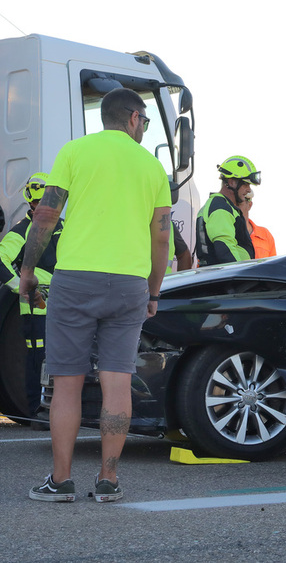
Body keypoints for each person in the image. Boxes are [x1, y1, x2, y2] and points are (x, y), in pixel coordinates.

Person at [19, 88, 171, 503]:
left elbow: (46, 216)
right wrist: (153, 290)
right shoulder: (152, 167)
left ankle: (61, 480)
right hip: (128, 285)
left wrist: (28, 269)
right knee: (117, 382)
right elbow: (162, 240)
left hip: (76, 280)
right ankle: (109, 481)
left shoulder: (74, 152)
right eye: (146, 122)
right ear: (135, 118)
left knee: (66, 384)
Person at [0, 173, 63, 424]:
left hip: (63, 305)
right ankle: (35, 413)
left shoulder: (64, 227)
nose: (45, 207)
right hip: (36, 309)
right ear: (31, 202)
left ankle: (56, 411)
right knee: (37, 361)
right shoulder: (21, 231)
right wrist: (20, 287)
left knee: (61, 361)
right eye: (40, 202)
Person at [195, 155, 260, 266]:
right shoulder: (221, 208)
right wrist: (241, 276)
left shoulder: (222, 206)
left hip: (223, 277)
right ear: (231, 182)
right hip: (226, 279)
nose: (249, 189)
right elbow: (225, 250)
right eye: (245, 183)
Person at [241, 194, 276, 258]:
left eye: (239, 203)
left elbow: (273, 265)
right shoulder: (228, 232)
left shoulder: (265, 234)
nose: (234, 207)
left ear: (249, 205)